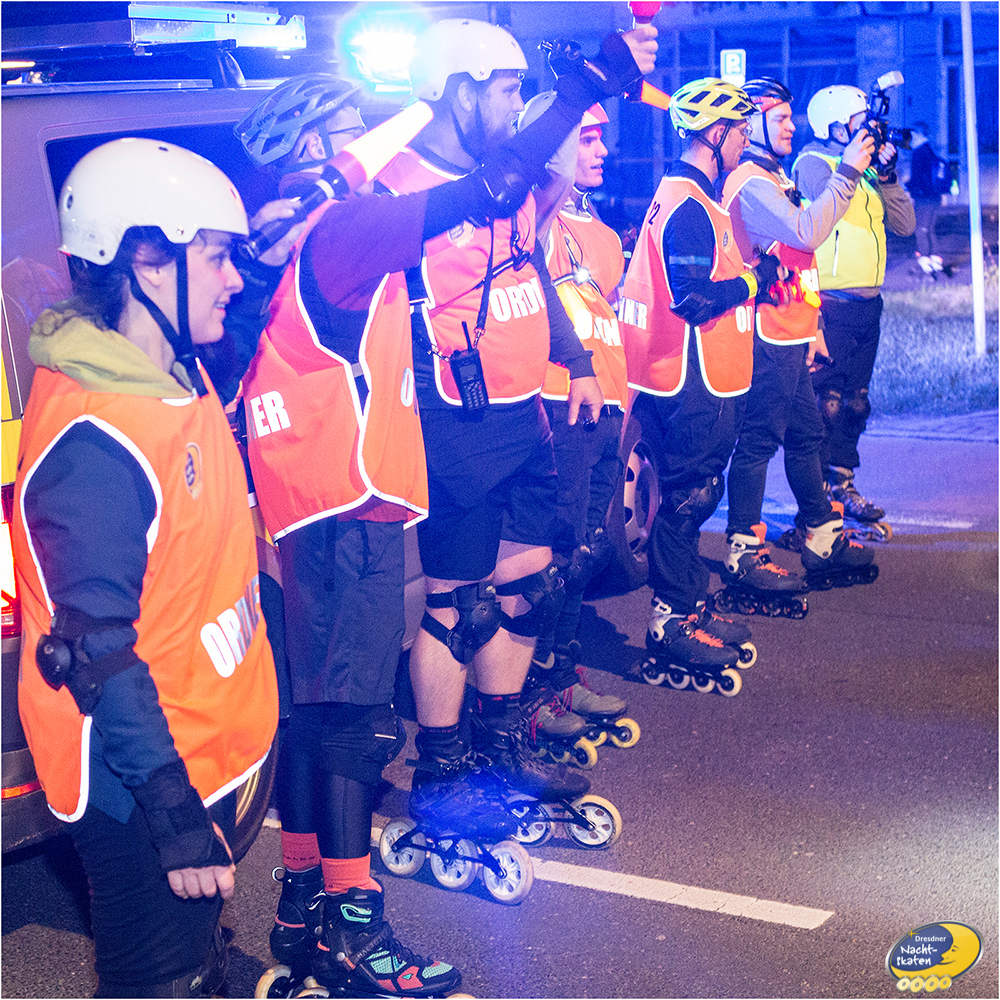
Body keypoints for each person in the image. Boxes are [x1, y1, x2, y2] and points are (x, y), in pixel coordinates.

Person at [235, 73, 540, 996]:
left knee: (315, 719)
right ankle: (354, 929)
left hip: (309, 504)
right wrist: (574, 95)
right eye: (350, 127)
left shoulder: (300, 229)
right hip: (346, 505)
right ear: (316, 147)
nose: (370, 139)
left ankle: (302, 906)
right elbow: (483, 191)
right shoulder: (342, 226)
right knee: (356, 729)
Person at [11, 137, 280, 998]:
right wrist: (173, 812)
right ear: (147, 260)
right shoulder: (97, 439)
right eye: (217, 257)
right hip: (139, 778)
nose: (234, 280)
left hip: (202, 738)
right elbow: (97, 652)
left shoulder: (168, 372)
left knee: (194, 962)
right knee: (156, 983)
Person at [376, 19, 656, 812]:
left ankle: (501, 751)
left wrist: (576, 361)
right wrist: (588, 81)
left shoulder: (508, 177)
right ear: (460, 93)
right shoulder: (400, 183)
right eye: (503, 91)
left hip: (525, 413)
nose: (512, 106)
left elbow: (527, 266)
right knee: (456, 608)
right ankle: (442, 771)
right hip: (453, 423)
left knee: (532, 588)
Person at [620, 77, 777, 691]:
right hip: (691, 377)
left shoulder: (687, 197)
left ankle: (685, 603)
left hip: (694, 374)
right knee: (690, 497)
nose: (744, 142)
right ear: (715, 133)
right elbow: (690, 299)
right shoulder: (689, 205)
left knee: (693, 494)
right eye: (740, 131)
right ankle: (670, 621)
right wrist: (751, 281)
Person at [720, 77, 877, 602]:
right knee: (759, 440)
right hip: (766, 334)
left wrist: (814, 331)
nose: (792, 126)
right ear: (754, 124)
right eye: (781, 118)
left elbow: (799, 260)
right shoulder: (750, 181)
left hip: (791, 330)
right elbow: (808, 231)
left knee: (807, 435)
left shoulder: (773, 175)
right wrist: (848, 173)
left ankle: (821, 537)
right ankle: (743, 549)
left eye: (791, 116)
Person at [518, 93, 632, 745]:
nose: (601, 150)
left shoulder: (605, 236)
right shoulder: (533, 216)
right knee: (553, 552)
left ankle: (561, 674)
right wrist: (552, 143)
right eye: (586, 138)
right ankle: (528, 688)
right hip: (558, 400)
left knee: (586, 551)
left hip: (607, 400)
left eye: (600, 138)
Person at [792, 85, 916, 527]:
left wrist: (887, 177)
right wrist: (854, 164)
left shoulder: (864, 172)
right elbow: (827, 209)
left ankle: (843, 484)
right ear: (835, 126)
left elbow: (906, 225)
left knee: (856, 403)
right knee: (825, 403)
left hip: (868, 304)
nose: (868, 133)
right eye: (860, 124)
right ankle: (816, 501)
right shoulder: (813, 163)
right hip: (831, 303)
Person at [906, 121, 952, 263]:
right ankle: (935, 258)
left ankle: (925, 259)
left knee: (920, 229)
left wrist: (906, 186)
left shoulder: (919, 153)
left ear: (918, 134)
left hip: (924, 198)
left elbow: (918, 178)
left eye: (913, 134)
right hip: (934, 197)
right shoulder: (929, 151)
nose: (910, 137)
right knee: (928, 228)